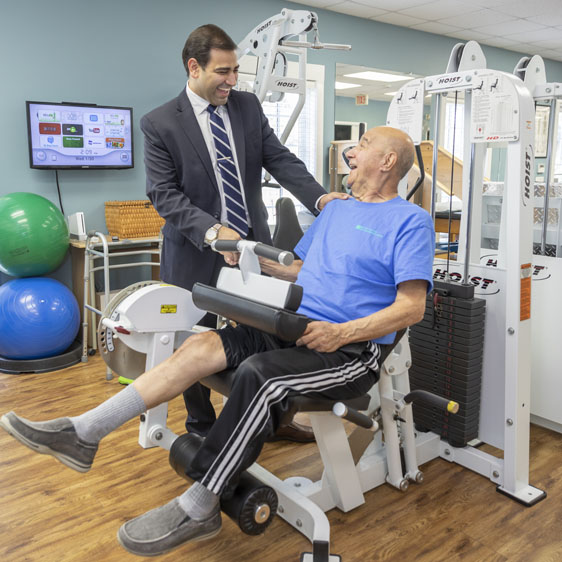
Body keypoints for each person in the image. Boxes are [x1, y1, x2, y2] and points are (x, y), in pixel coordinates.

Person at [1, 126, 435, 557]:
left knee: (261, 377)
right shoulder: (337, 211)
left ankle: (201, 505)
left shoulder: (410, 221)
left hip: (349, 350)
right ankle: (86, 431)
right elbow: (302, 269)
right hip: (297, 324)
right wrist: (251, 258)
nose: (351, 153)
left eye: (362, 145)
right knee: (200, 345)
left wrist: (343, 332)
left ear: (388, 161)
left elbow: (411, 307)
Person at [141, 24, 346, 440]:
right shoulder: (159, 123)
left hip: (254, 245)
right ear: (194, 67)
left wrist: (321, 200)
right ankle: (201, 428)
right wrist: (215, 231)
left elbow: (280, 159)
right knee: (190, 338)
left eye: (236, 70)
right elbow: (164, 194)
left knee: (260, 332)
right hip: (195, 247)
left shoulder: (247, 107)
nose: (232, 81)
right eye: (223, 72)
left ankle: (270, 418)